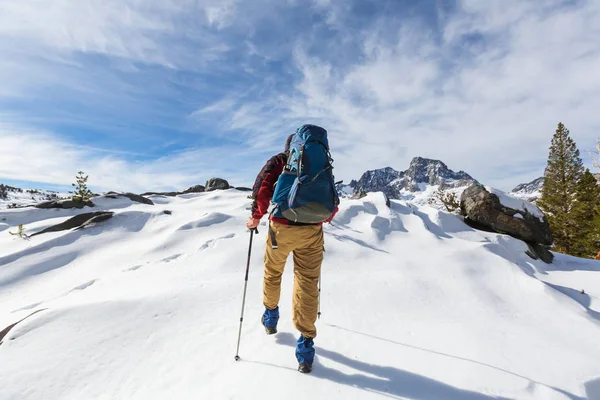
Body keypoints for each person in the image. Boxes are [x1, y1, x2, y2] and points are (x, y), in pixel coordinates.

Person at [246, 125, 338, 374]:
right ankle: (306, 347)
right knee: (307, 281)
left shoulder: (281, 161)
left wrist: (256, 217)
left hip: (282, 228)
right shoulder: (320, 162)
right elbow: (331, 196)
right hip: (312, 229)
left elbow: (262, 189)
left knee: (273, 272)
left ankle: (270, 317)